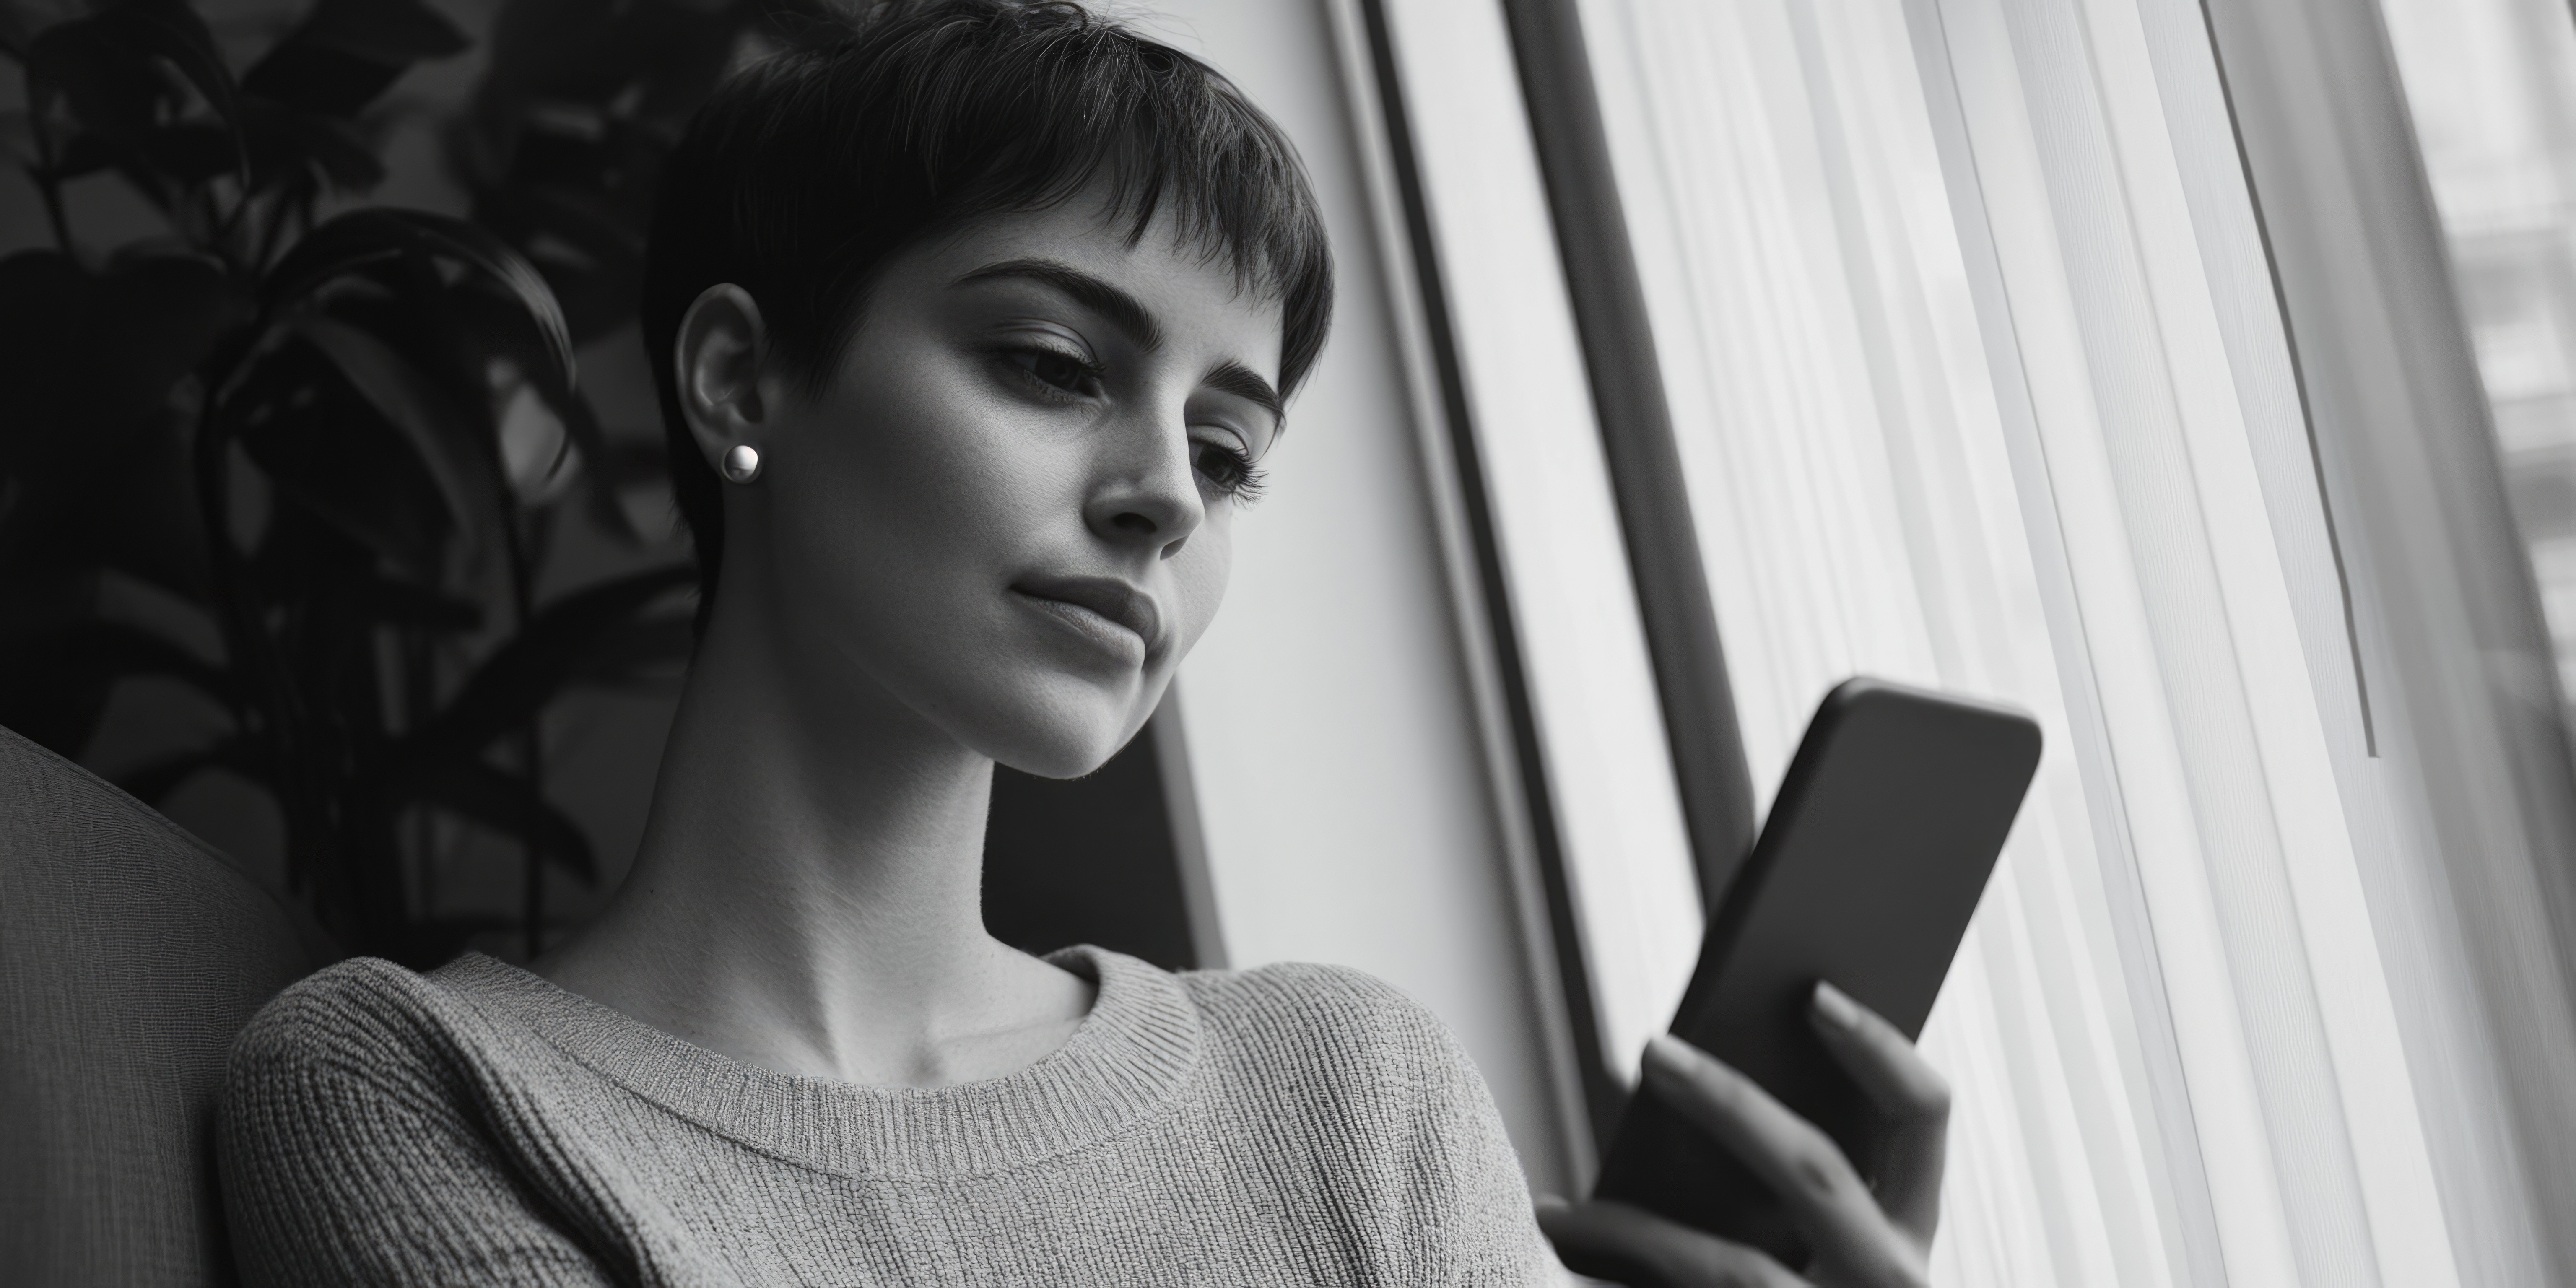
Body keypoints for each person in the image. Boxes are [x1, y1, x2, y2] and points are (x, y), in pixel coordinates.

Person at [215, 3, 1951, 1284]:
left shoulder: (1350, 1091)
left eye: (1228, 453)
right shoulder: (415, 1093)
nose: (1163, 501)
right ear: (744, 380)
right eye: (1054, 366)